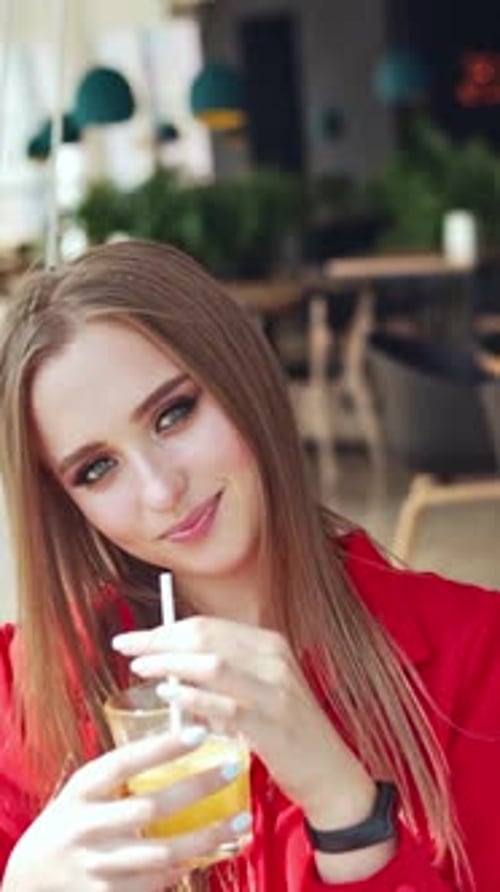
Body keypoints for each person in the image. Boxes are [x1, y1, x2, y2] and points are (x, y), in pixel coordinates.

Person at [0, 239, 499, 892]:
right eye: (97, 469)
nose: (159, 490)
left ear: (244, 378)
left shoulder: (475, 653)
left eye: (173, 414)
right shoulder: (25, 692)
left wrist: (345, 808)